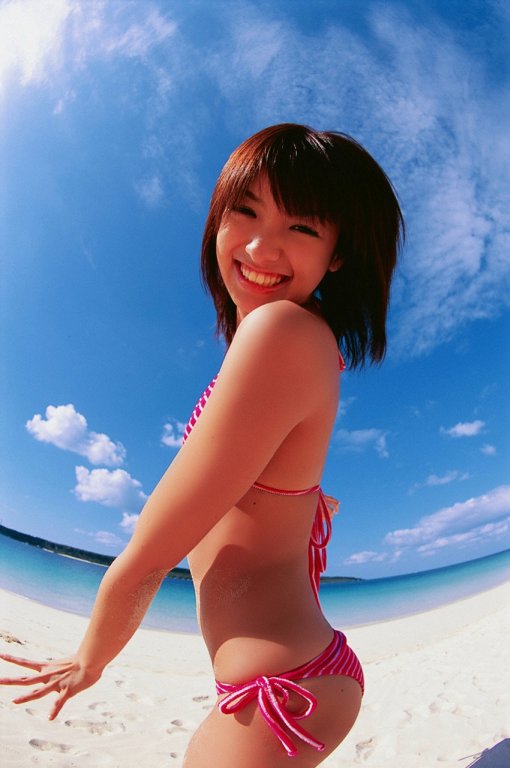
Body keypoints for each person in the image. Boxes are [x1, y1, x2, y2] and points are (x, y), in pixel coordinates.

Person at [0, 123, 404, 767]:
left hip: (283, 689)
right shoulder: (293, 341)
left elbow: (153, 547)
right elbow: (273, 484)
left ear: (337, 255)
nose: (260, 245)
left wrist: (89, 658)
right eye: (245, 211)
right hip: (293, 675)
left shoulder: (281, 330)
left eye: (302, 227)